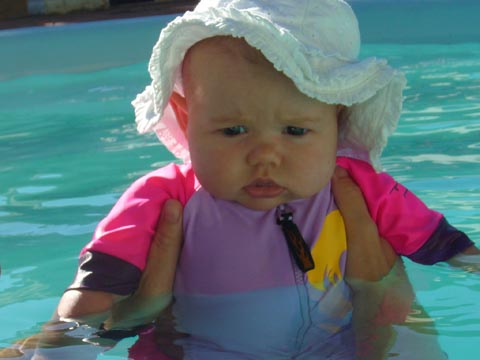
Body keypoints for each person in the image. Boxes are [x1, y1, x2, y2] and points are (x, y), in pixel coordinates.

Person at [29, 0, 480, 358]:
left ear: (337, 122)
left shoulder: (362, 188)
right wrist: (59, 354)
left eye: (296, 131)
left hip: (338, 349)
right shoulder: (163, 198)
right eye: (233, 130)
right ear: (187, 122)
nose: (265, 156)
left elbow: (448, 247)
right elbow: (90, 298)